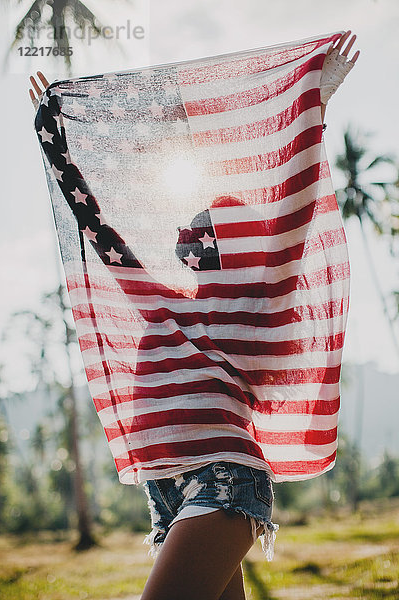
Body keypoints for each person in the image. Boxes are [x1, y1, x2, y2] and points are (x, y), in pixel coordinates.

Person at [29, 30, 359, 600]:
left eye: (208, 224)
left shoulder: (253, 310)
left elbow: (292, 216)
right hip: (169, 489)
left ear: (236, 246)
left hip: (221, 480)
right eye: (195, 224)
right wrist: (58, 144)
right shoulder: (163, 303)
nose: (191, 229)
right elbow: (101, 234)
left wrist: (314, 104)